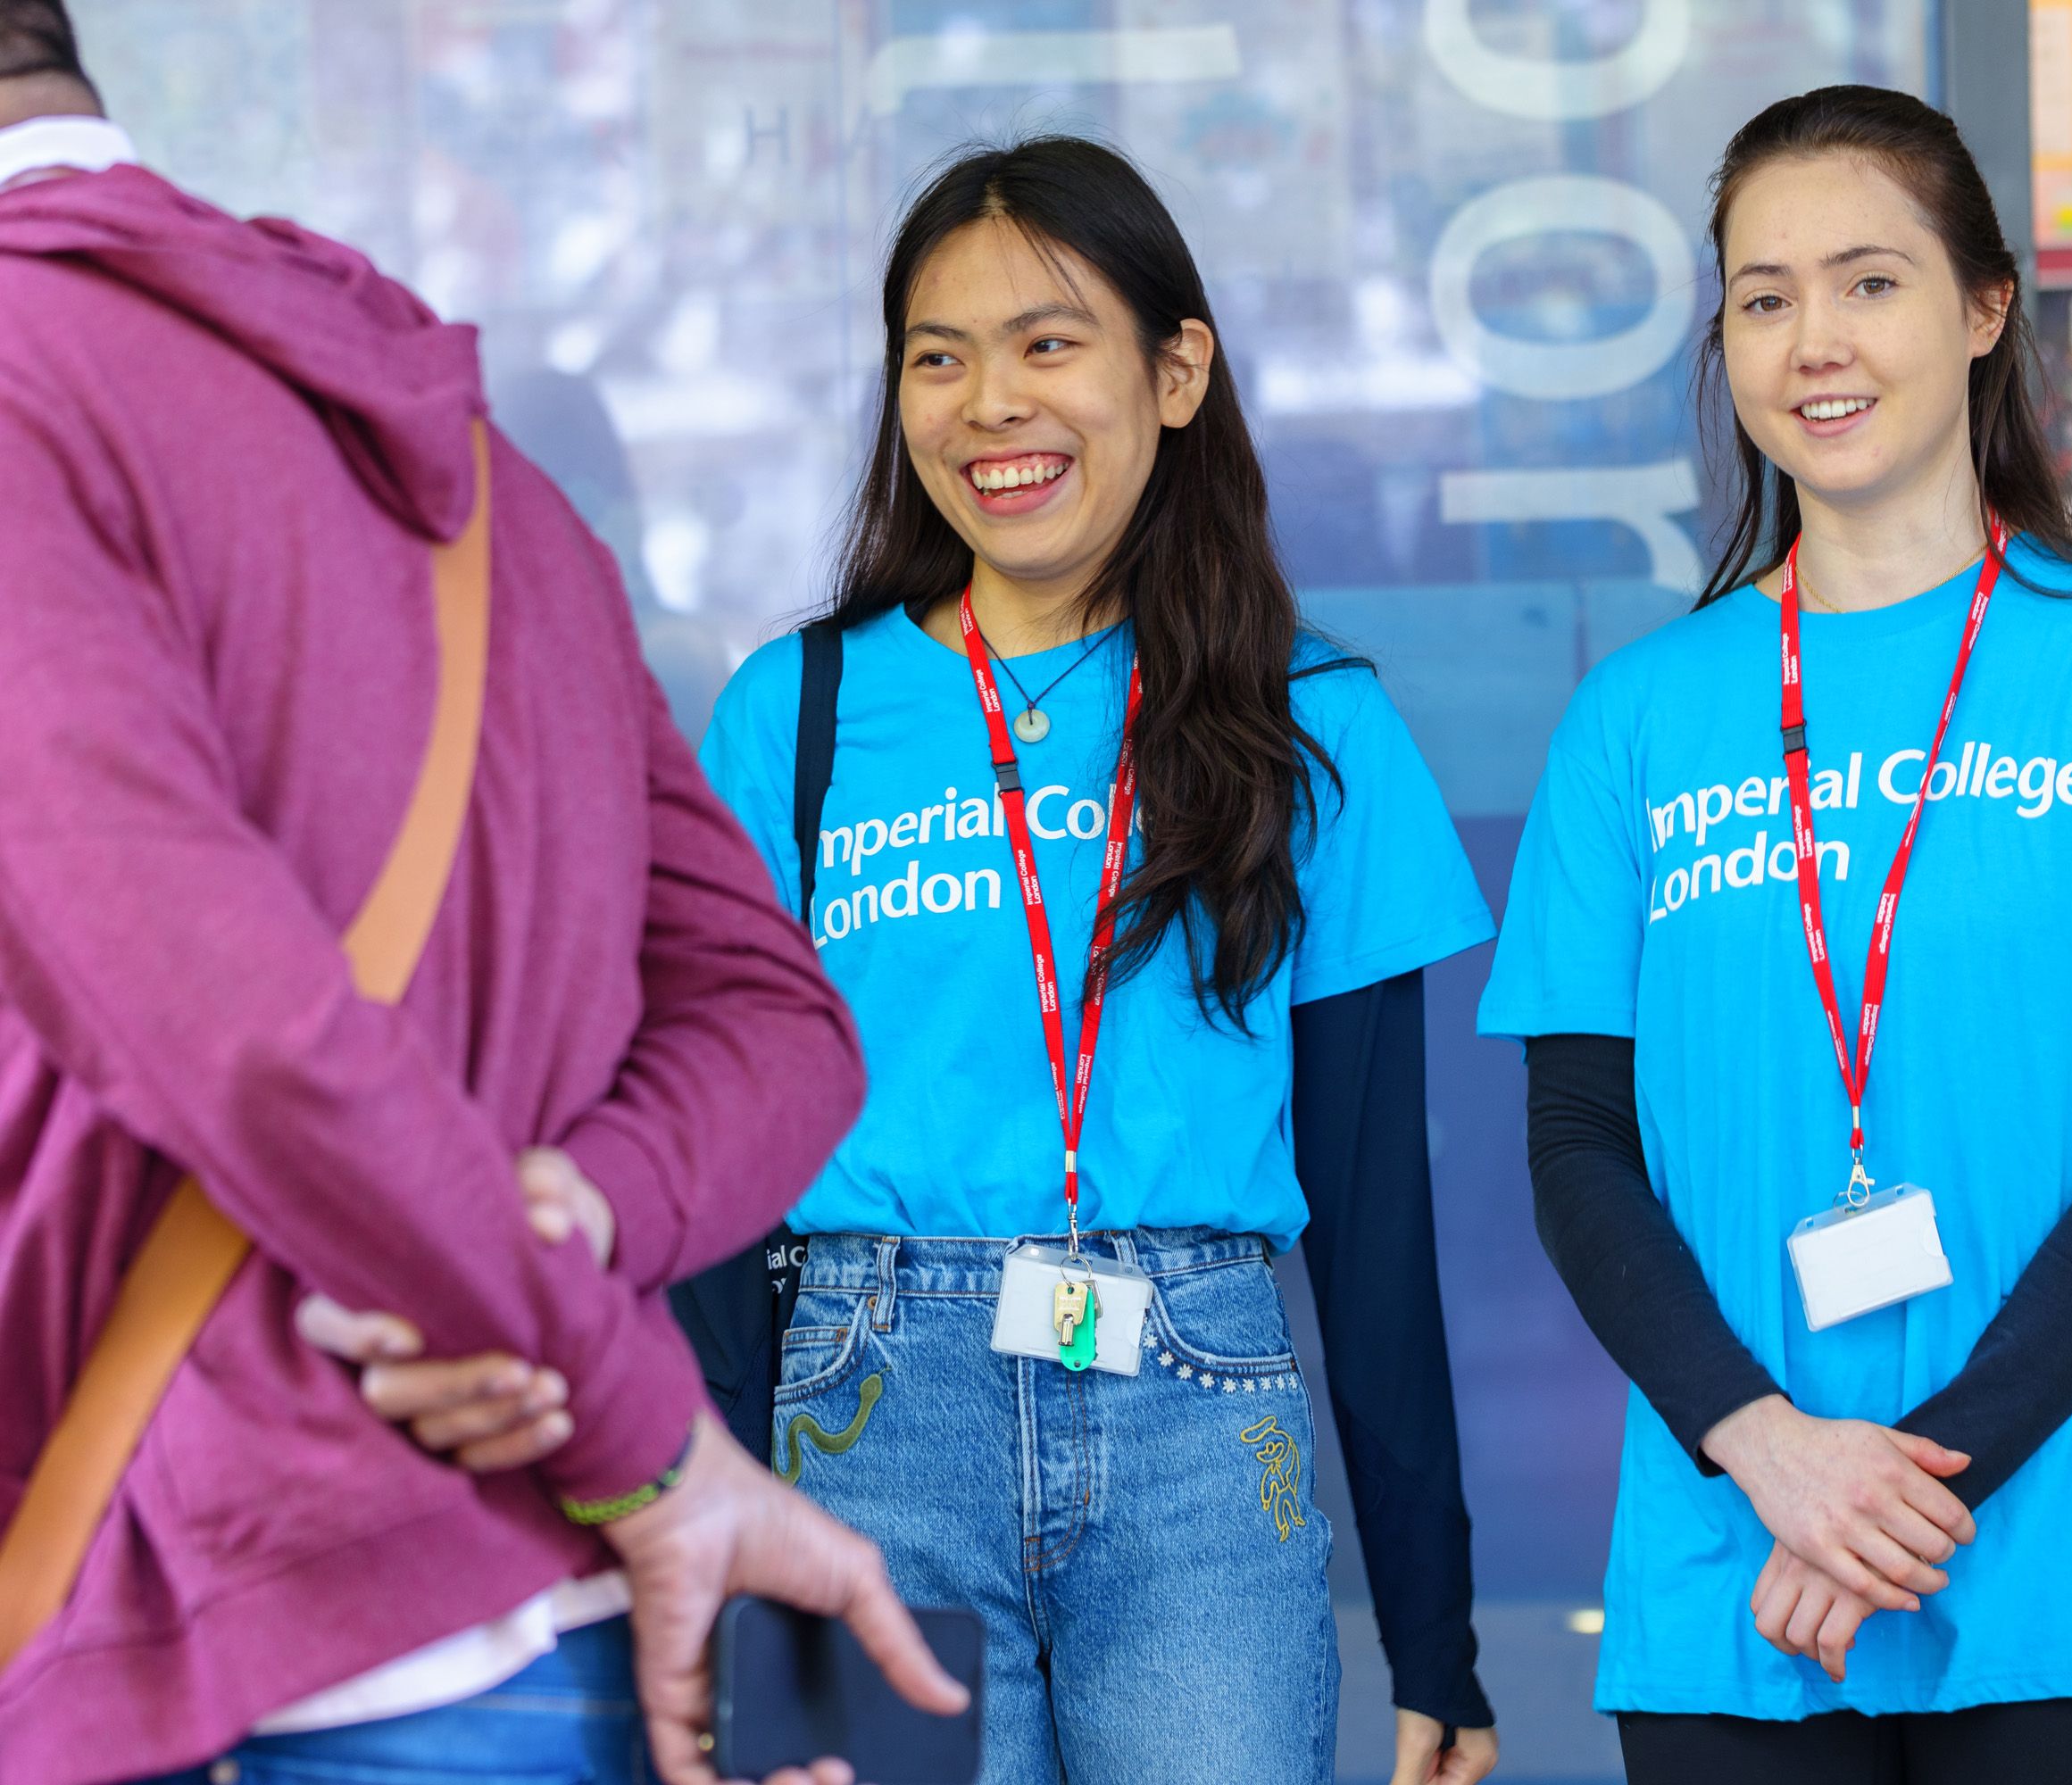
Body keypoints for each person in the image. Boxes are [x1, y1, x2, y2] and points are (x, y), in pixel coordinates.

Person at [0, 8, 963, 1782]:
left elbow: (245, 1035)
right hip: (557, 1648)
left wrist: (636, 1421)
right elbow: (775, 1025)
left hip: (198, 1640)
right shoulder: (471, 471)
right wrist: (567, 1225)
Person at [1477, 86, 2072, 1784]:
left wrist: (1888, 1493)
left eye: (1868, 281)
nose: (1813, 342)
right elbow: (1577, 1149)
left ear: (1983, 307)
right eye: (1764, 298)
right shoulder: (1636, 718)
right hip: (1737, 1557)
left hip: (2067, 1557)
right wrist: (1773, 1457)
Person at [695, 136, 1499, 1785]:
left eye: (1048, 342)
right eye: (940, 356)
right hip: (858, 1426)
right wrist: (716, 1564)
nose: (990, 402)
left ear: (1177, 368)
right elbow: (716, 1180)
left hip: (1201, 1428)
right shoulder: (795, 714)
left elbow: (1374, 1215)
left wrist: (1437, 1635)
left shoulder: (1311, 719)